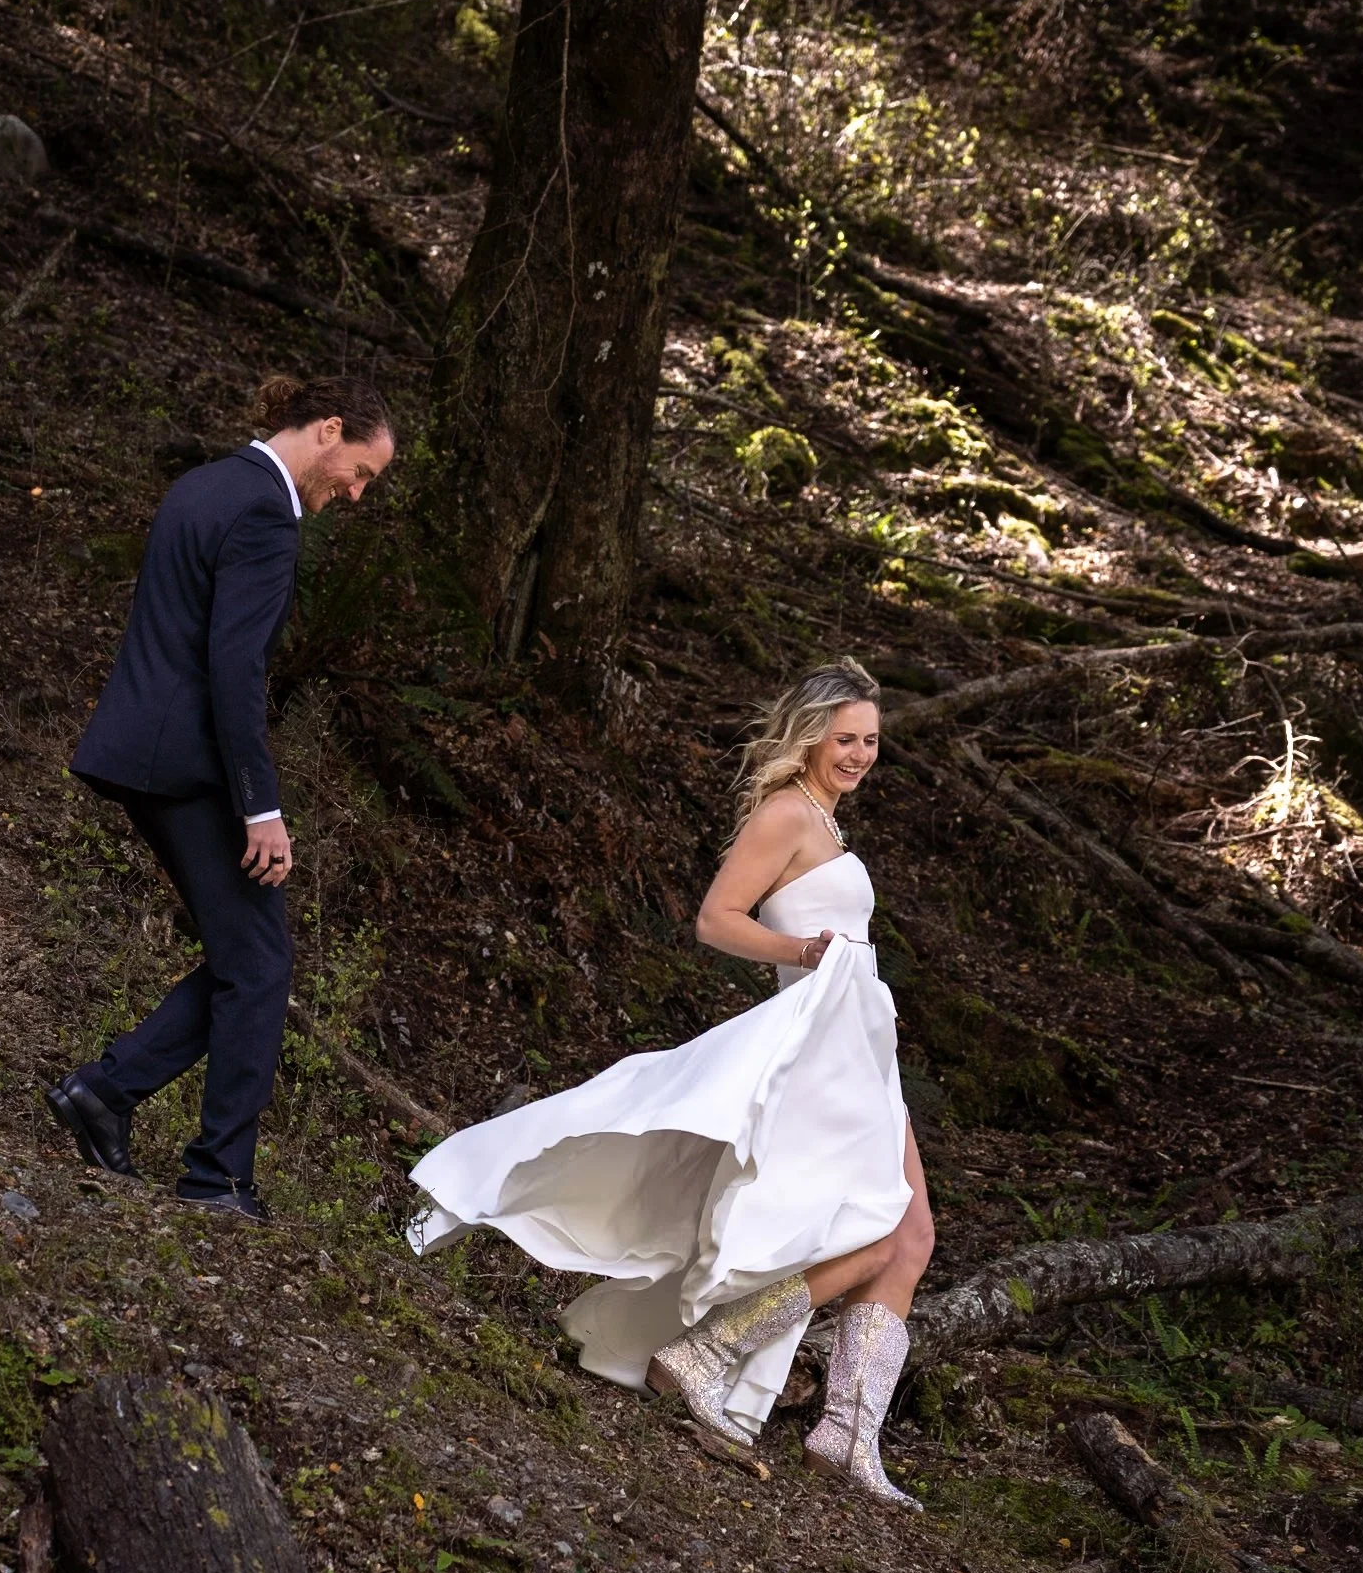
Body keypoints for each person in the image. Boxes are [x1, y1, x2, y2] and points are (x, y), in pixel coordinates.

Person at [406, 661, 934, 1504]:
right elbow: (716, 919)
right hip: (814, 1051)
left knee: (909, 1238)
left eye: (869, 741)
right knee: (875, 1231)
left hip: (858, 1045)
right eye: (844, 739)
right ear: (807, 737)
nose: (859, 755)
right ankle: (713, 1352)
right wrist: (802, 954)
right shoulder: (788, 814)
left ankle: (847, 1432)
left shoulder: (830, 827)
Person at [45, 373, 395, 1219]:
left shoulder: (205, 483)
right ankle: (216, 1178)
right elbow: (234, 670)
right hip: (186, 765)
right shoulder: (267, 515)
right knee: (260, 964)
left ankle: (106, 1094)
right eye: (360, 473)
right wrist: (259, 805)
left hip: (143, 752)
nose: (353, 494)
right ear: (329, 429)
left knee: (251, 960)